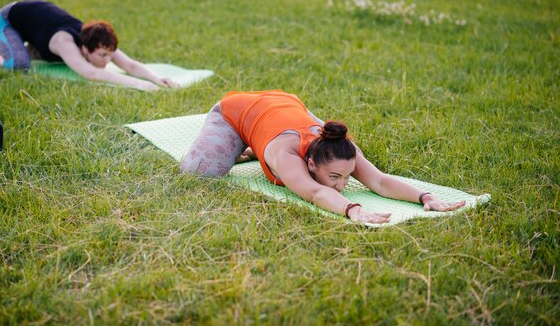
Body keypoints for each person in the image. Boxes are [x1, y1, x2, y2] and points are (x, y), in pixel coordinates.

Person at [180, 90, 465, 224]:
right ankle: (245, 143)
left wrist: (425, 197)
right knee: (198, 173)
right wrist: (352, 209)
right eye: (335, 177)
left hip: (287, 103)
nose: (342, 185)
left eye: (346, 176)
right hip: (237, 110)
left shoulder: (342, 149)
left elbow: (378, 181)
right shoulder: (287, 155)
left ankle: (254, 148)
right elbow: (315, 192)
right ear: (311, 163)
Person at [0, 0, 179, 91]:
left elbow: (129, 65)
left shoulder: (96, 39)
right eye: (103, 55)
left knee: (39, 54)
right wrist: (139, 84)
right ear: (85, 50)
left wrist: (157, 78)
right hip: (6, 20)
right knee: (20, 64)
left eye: (110, 54)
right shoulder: (64, 42)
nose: (108, 59)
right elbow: (91, 73)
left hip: (33, 23)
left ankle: (26, 45)